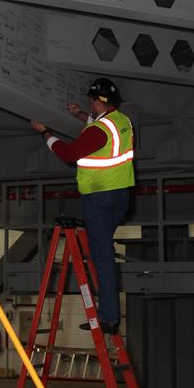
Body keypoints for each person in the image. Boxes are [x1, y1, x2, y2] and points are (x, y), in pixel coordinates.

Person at [31, 77, 134, 332]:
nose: (91, 105)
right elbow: (100, 128)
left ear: (98, 101)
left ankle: (108, 318)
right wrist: (80, 115)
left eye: (91, 102)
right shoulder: (121, 121)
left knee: (102, 257)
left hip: (99, 199)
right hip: (120, 197)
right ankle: (107, 312)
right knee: (102, 251)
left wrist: (45, 133)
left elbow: (68, 155)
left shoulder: (98, 131)